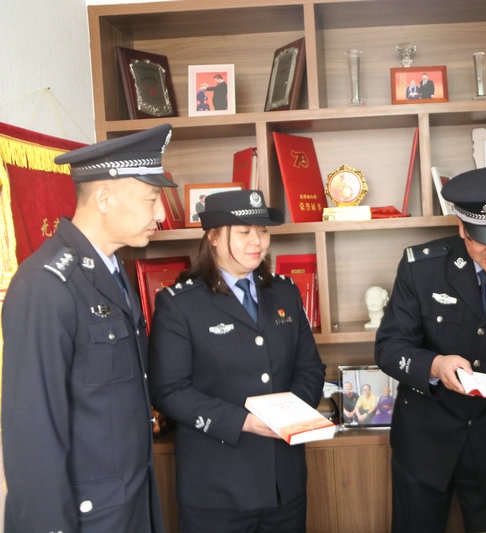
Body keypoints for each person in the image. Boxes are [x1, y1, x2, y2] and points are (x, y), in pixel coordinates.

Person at [1, 123, 177, 532]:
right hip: (86, 518)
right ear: (104, 197)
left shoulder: (113, 271)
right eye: (152, 198)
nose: (160, 214)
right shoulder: (45, 285)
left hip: (130, 506)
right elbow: (32, 432)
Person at [375, 167, 486, 533]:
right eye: (481, 241)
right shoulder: (421, 268)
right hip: (424, 442)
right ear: (462, 228)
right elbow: (389, 348)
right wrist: (435, 365)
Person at [147, 189, 325, 533]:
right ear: (213, 237)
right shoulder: (180, 303)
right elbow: (169, 390)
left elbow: (310, 367)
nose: (257, 241)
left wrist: (291, 414)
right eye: (244, 231)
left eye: (262, 231)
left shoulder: (284, 291)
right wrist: (244, 421)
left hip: (284, 483)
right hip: (217, 488)